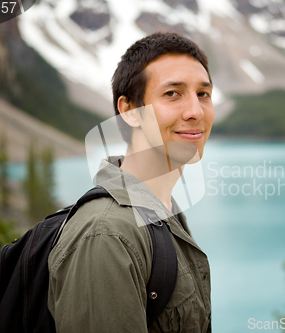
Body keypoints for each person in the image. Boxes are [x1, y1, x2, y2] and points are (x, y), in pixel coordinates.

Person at [47, 32, 215, 333]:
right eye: (172, 94)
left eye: (203, 94)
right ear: (129, 111)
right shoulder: (107, 234)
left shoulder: (163, 212)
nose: (195, 112)